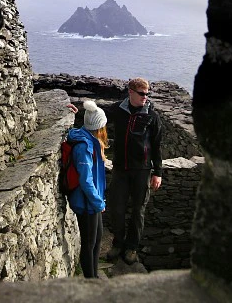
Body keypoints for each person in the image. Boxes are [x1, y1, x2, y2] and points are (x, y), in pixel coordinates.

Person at [67, 77, 163, 265]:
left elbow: (157, 145)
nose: (146, 97)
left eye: (147, 94)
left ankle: (131, 248)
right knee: (116, 209)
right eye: (142, 93)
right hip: (120, 168)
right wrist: (78, 112)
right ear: (131, 92)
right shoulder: (118, 109)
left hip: (142, 170)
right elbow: (97, 118)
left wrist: (158, 172)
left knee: (138, 210)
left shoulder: (152, 116)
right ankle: (118, 244)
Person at [66, 100, 108, 279]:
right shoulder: (84, 146)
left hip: (93, 201)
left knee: (97, 240)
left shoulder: (89, 140)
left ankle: (95, 277)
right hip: (86, 202)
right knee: (89, 243)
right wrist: (98, 202)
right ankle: (91, 282)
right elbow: (85, 180)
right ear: (99, 127)